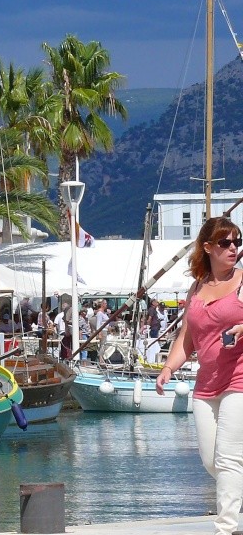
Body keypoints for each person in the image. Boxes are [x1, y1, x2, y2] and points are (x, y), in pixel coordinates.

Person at [156, 216, 243, 535]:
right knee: (211, 460)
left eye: (237, 241)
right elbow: (187, 338)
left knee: (229, 457)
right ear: (208, 247)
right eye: (225, 242)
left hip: (240, 378)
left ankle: (225, 528)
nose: (233, 248)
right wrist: (168, 367)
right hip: (206, 383)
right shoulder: (197, 287)